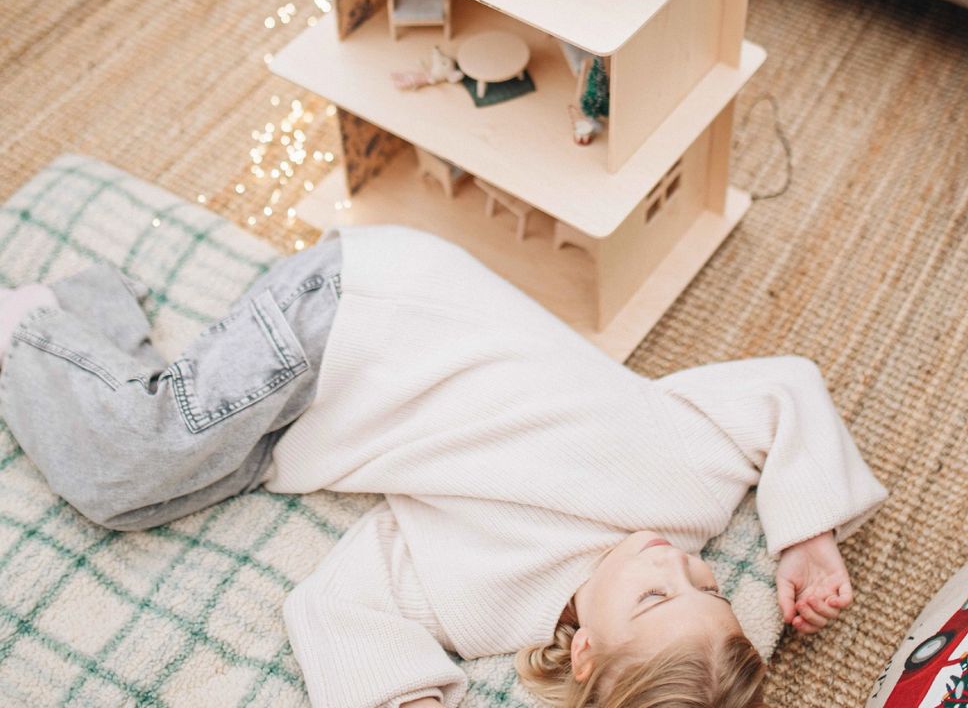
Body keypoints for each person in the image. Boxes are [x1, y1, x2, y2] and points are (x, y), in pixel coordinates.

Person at [0, 225, 887, 708]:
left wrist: (400, 697)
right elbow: (784, 387)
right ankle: (28, 325)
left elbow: (337, 602)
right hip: (362, 311)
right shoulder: (689, 484)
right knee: (132, 460)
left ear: (582, 656)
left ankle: (82, 315)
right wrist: (804, 533)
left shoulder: (486, 609)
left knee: (143, 496)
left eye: (668, 593)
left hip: (325, 404)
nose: (677, 560)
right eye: (710, 584)